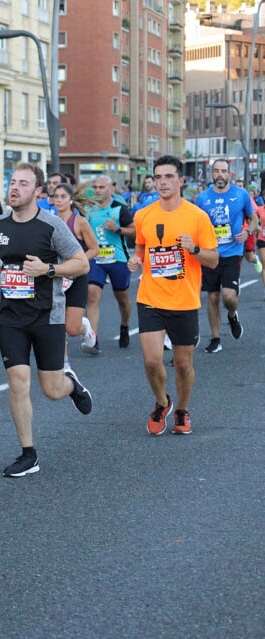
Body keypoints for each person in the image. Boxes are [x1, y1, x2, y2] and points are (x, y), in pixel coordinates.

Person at [0, 163, 93, 478]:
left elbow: (81, 263)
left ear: (38, 192)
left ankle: (72, 386)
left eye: (23, 184)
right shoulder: (0, 224)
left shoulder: (52, 225)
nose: (14, 188)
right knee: (17, 382)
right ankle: (28, 454)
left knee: (51, 389)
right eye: (12, 181)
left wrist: (48, 270)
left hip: (48, 316)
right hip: (11, 316)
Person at [127, 155, 219, 435]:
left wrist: (193, 250)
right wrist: (136, 259)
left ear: (181, 181)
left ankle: (182, 409)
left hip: (184, 300)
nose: (163, 182)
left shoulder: (197, 217)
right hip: (151, 297)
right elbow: (142, 248)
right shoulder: (143, 214)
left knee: (182, 364)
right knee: (152, 361)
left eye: (168, 177)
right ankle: (161, 401)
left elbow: (213, 260)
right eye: (158, 177)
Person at [193, 159, 258, 353]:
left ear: (229, 174)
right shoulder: (203, 198)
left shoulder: (241, 195)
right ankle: (215, 339)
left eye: (224, 171)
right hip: (210, 253)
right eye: (216, 171)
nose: (220, 175)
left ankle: (232, 314)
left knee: (229, 296)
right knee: (212, 297)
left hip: (232, 252)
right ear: (211, 174)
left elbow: (253, 218)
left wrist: (247, 232)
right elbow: (197, 225)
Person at [82, 175, 136, 354]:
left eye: (101, 187)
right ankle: (92, 338)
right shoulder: (88, 208)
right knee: (92, 294)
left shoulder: (119, 208)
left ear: (110, 189)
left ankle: (124, 326)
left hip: (118, 259)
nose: (97, 190)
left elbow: (135, 231)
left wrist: (118, 229)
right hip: (96, 259)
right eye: (95, 187)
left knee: (122, 298)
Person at [50, 183, 100, 358]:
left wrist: (76, 264)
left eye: (63, 197)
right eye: (56, 197)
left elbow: (95, 249)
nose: (59, 200)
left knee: (72, 329)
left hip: (77, 277)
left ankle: (85, 327)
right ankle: (62, 365)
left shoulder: (79, 222)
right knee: (57, 323)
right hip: (56, 277)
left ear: (71, 200)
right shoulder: (48, 221)